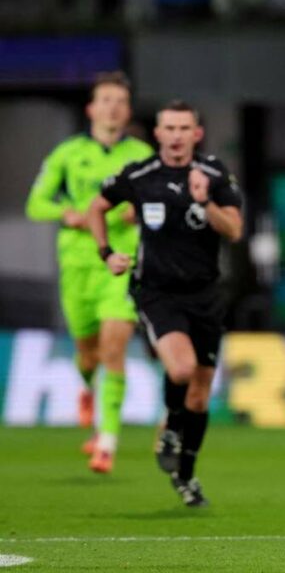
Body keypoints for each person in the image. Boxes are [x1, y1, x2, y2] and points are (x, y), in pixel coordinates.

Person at [87, 100, 243, 507]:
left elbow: (235, 230)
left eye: (183, 128)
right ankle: (171, 426)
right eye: (168, 128)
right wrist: (107, 254)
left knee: (199, 396)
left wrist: (205, 202)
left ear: (196, 134)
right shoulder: (140, 175)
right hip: (156, 292)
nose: (175, 135)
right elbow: (96, 208)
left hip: (206, 295)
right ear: (157, 134)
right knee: (182, 368)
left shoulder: (213, 174)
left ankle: (186, 476)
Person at [25, 71, 154, 473]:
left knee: (113, 348)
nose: (112, 107)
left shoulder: (141, 154)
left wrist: (139, 211)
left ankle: (106, 443)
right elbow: (36, 204)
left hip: (121, 261)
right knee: (88, 353)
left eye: (119, 100)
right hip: (78, 264)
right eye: (105, 100)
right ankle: (86, 388)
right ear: (91, 108)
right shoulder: (67, 154)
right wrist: (68, 213)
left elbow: (159, 203)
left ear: (127, 109)